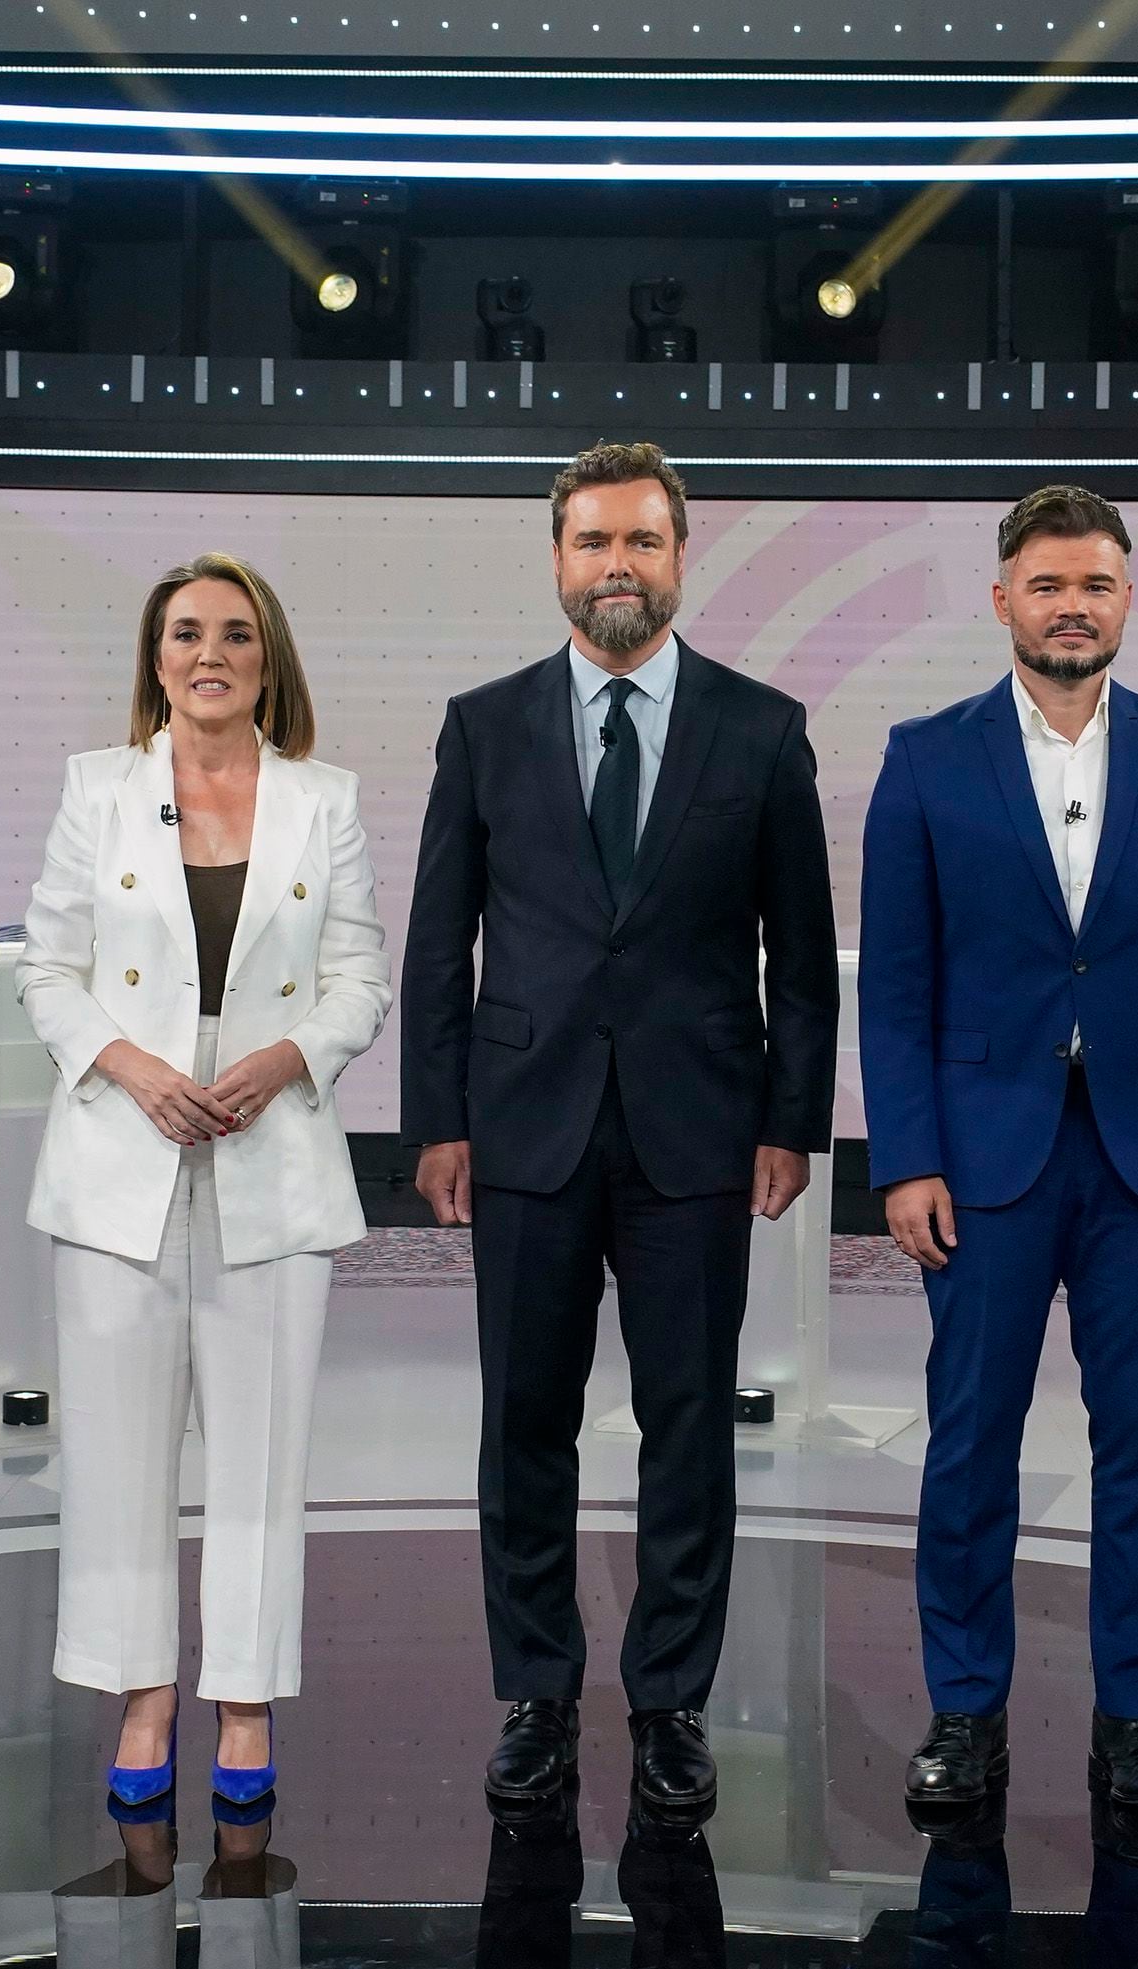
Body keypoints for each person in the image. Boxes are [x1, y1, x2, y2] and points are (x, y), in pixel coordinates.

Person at [402, 441, 839, 1827]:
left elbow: (803, 957)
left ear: (679, 555)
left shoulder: (762, 728)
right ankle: (535, 1693)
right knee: (525, 1421)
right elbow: (437, 940)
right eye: (593, 543)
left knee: (689, 1422)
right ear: (556, 559)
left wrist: (794, 1123)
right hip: (522, 1131)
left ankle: (671, 1702)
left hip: (699, 1136)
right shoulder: (483, 724)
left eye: (642, 543)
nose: (616, 568)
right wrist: (436, 1119)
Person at [859, 486, 1138, 1822]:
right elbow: (899, 983)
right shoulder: (925, 758)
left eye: (1094, 582)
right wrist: (906, 1157)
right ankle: (963, 1711)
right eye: (1047, 584)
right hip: (982, 1162)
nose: (1072, 605)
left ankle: (1137, 1721)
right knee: (970, 1440)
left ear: (1128, 599)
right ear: (1003, 601)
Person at [18, 553, 392, 1811]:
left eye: (235, 632)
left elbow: (358, 979)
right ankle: (141, 1691)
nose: (208, 652)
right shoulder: (97, 791)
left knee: (259, 1450)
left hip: (269, 1156)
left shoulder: (324, 800)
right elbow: (48, 969)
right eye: (185, 633)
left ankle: (242, 1694)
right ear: (156, 656)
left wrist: (284, 1058)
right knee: (118, 1452)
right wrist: (129, 1066)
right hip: (120, 1158)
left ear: (268, 655)